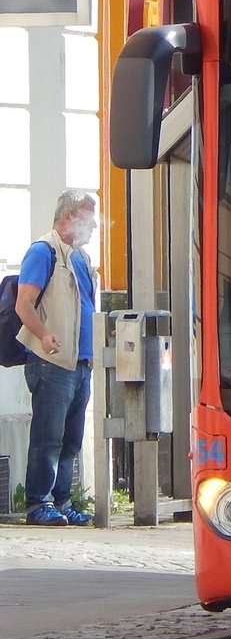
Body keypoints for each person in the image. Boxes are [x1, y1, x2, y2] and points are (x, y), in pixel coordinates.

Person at [15, 190, 99, 527]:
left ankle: (62, 501)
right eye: (88, 217)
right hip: (50, 362)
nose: (94, 225)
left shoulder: (80, 257)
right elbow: (24, 304)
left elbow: (87, 307)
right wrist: (45, 334)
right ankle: (39, 504)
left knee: (71, 438)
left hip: (79, 363)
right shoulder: (43, 251)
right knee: (49, 437)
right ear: (68, 217)